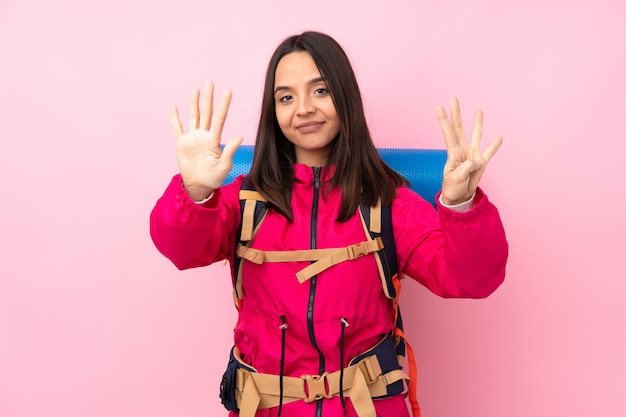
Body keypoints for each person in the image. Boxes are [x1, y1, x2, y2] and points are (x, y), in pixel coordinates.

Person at [150, 31, 508, 417]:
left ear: (345, 97)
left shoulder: (388, 203)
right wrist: (194, 189)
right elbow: (182, 250)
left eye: (320, 91)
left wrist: (460, 204)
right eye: (286, 97)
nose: (303, 108)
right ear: (273, 113)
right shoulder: (243, 201)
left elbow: (472, 279)